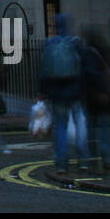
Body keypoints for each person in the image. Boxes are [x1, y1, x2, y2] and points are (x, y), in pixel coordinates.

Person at [39, 12, 89, 172]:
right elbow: (84, 69)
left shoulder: (49, 44)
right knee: (80, 125)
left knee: (60, 127)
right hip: (75, 92)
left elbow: (43, 71)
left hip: (57, 94)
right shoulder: (75, 43)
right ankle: (83, 161)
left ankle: (62, 163)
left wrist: (43, 92)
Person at [81, 27, 110, 174]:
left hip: (90, 97)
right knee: (104, 129)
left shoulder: (87, 53)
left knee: (91, 130)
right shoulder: (105, 52)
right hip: (104, 97)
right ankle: (107, 158)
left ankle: (91, 158)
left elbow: (86, 75)